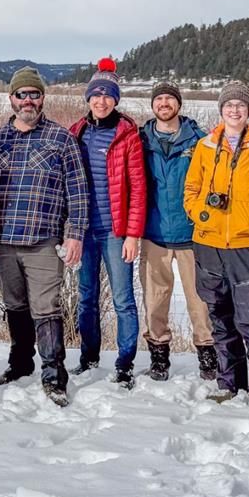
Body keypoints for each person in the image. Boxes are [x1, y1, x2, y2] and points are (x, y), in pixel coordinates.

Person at [0, 67, 89, 406]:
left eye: (35, 94)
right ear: (11, 99)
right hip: (2, 240)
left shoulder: (61, 139)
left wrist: (74, 235)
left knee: (46, 307)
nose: (29, 100)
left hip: (43, 240)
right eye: (22, 94)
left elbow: (78, 191)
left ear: (43, 98)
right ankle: (20, 364)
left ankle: (53, 374)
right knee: (14, 305)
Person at [184, 82, 249, 402]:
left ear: (248, 111)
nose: (234, 110)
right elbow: (191, 192)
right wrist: (202, 214)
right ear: (221, 109)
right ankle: (229, 383)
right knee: (220, 315)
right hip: (209, 242)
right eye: (229, 105)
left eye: (240, 105)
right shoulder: (204, 146)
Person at [68, 58, 146, 388]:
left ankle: (125, 361)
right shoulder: (77, 132)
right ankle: (89, 357)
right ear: (88, 99)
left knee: (123, 299)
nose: (101, 102)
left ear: (116, 100)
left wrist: (132, 234)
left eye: (108, 96)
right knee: (86, 298)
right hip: (83, 231)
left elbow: (139, 187)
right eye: (96, 96)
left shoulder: (127, 134)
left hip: (116, 232)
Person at [139, 82, 217, 381]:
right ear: (152, 105)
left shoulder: (199, 140)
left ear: (179, 104)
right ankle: (159, 357)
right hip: (154, 232)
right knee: (155, 299)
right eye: (158, 99)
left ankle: (208, 356)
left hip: (192, 233)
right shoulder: (141, 139)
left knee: (200, 299)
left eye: (169, 98)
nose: (163, 103)